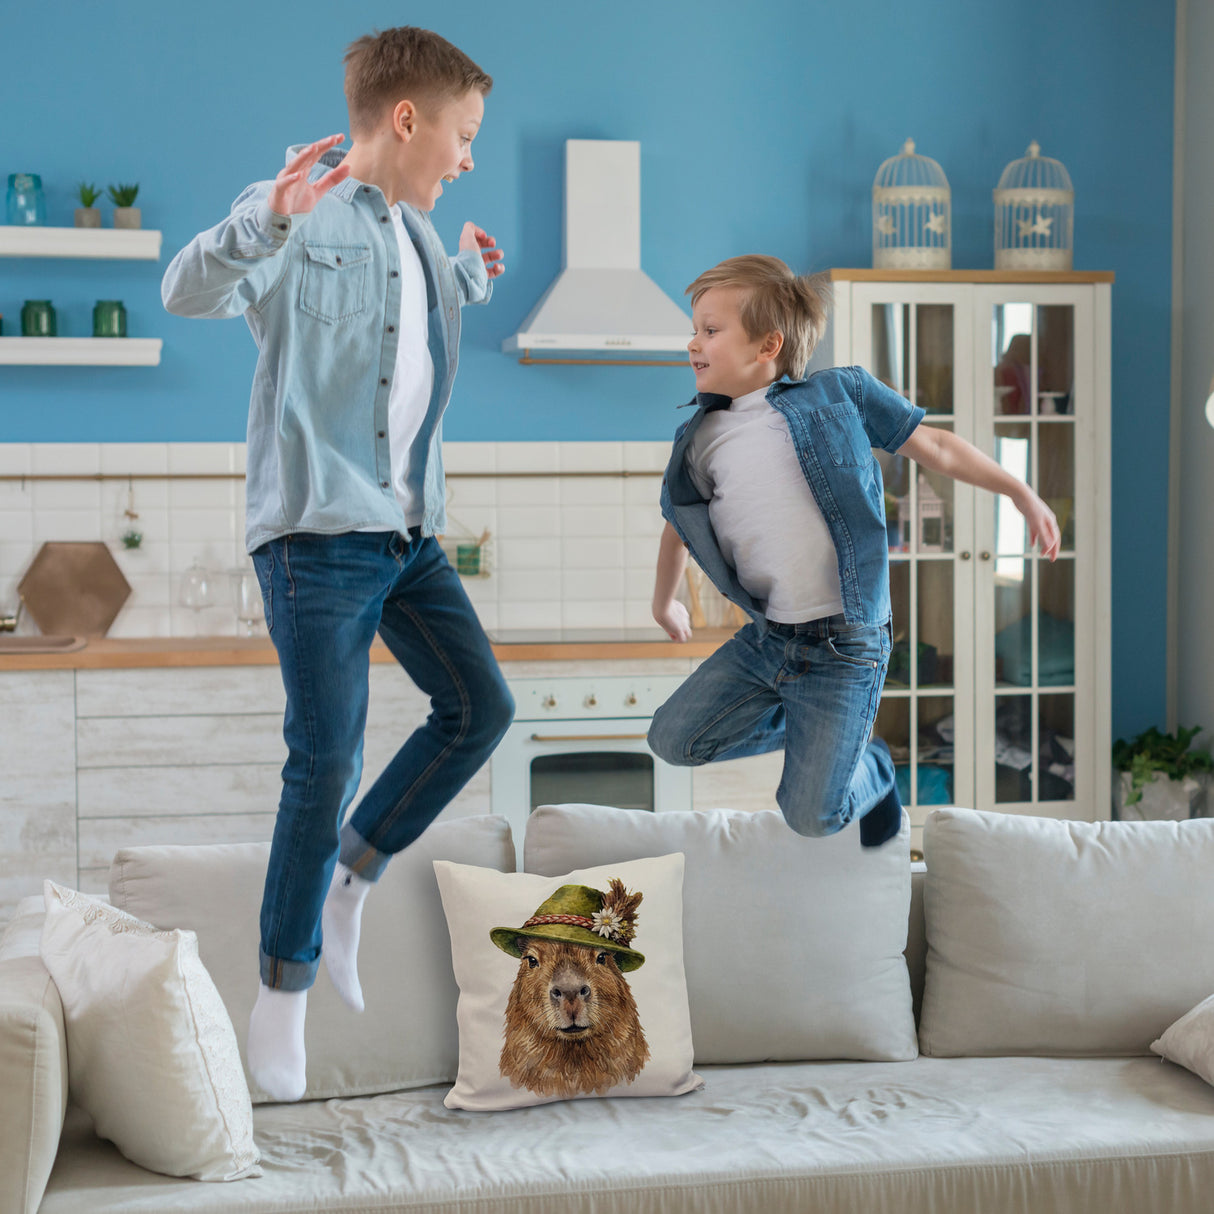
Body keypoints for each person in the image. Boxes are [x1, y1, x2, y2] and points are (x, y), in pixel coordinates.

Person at [161, 26, 514, 1101]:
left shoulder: (416, 237)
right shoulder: (297, 218)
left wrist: (469, 277)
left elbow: (402, 348)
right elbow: (186, 290)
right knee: (326, 754)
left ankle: (354, 874)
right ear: (405, 118)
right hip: (316, 531)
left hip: (406, 532)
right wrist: (263, 218)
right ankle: (281, 988)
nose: (465, 158)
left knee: (478, 708)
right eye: (461, 135)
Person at [649, 255, 1060, 848]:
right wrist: (665, 601)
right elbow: (678, 523)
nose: (693, 342)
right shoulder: (701, 440)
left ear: (769, 344)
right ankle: (823, 735)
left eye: (710, 330)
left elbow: (937, 446)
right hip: (770, 640)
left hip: (846, 645)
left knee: (810, 816)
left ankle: (872, 767)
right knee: (673, 740)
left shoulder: (840, 393)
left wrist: (1019, 491)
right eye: (694, 329)